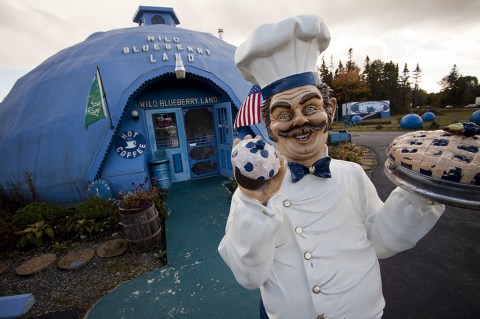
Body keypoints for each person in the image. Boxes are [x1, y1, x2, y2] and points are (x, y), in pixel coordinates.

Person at [218, 15, 445, 319]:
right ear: (269, 126)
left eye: (310, 108)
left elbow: (383, 238)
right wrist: (254, 202)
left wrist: (421, 188)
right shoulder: (252, 195)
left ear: (330, 109)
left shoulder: (352, 174)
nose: (299, 120)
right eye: (284, 114)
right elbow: (249, 276)